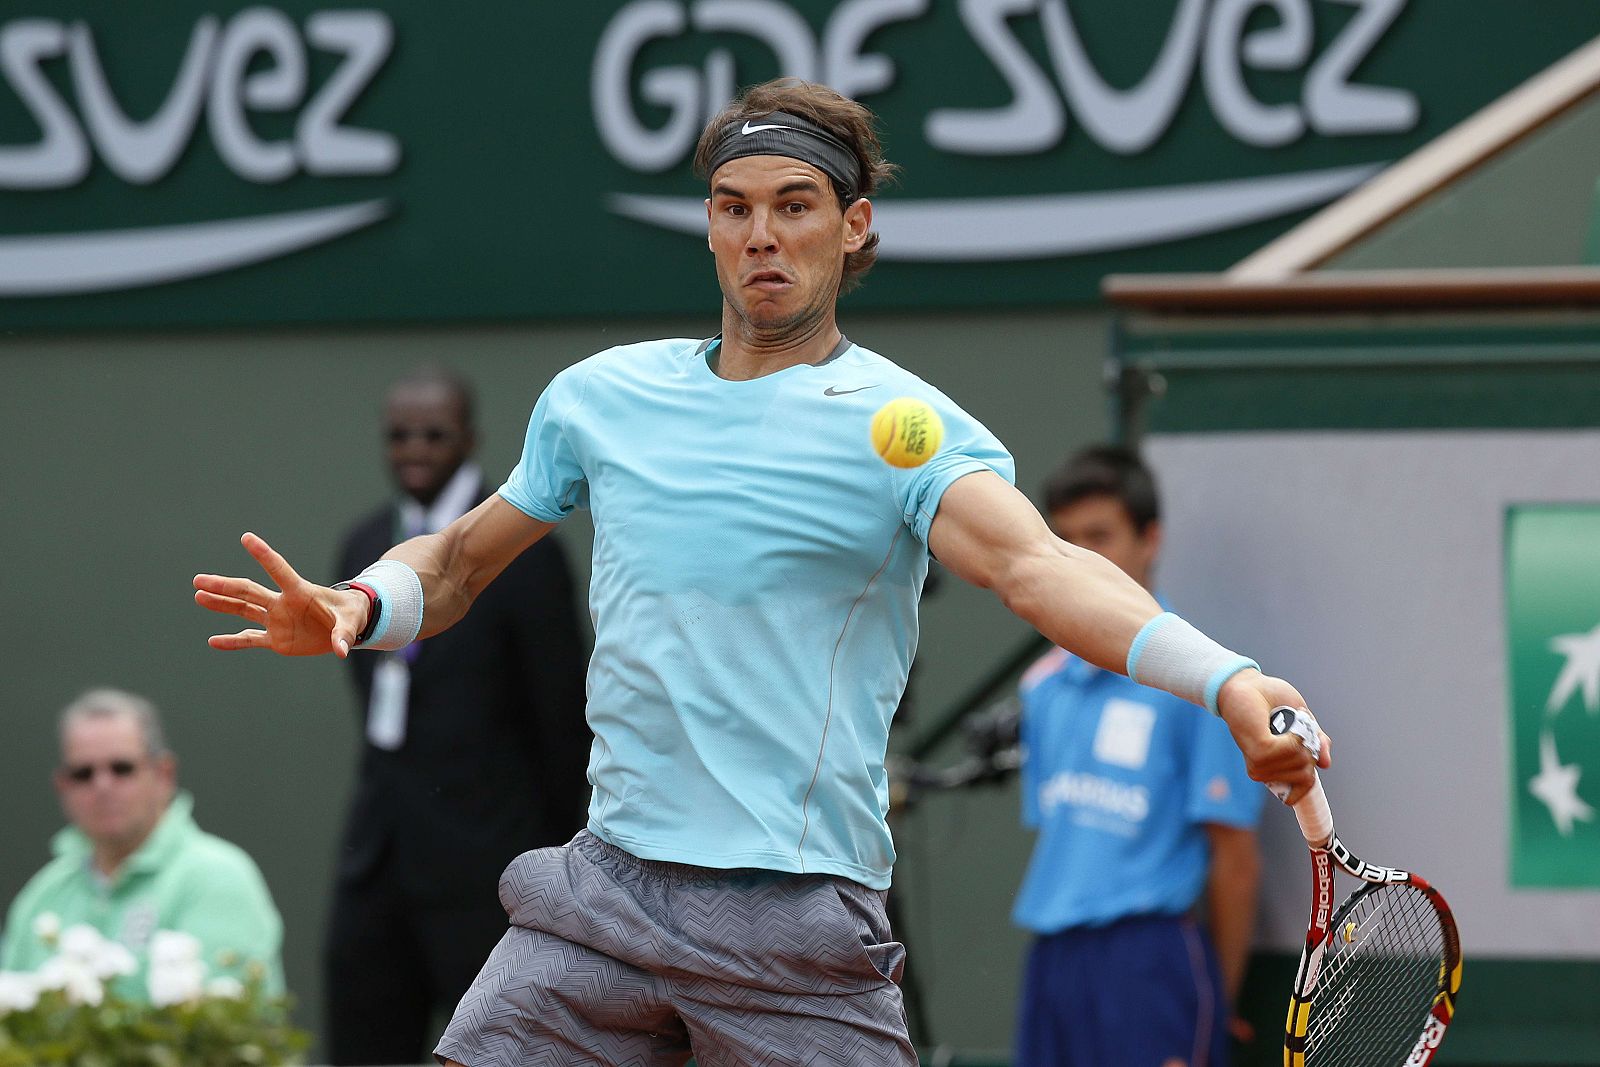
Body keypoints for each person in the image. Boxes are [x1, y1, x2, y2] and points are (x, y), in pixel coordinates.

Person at [192, 78, 1327, 1067]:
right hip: (603, 888)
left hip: (795, 920)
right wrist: (357, 601)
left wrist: (1226, 679)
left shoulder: (901, 424)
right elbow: (455, 560)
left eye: (794, 206)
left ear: (853, 225)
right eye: (734, 209)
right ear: (709, 228)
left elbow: (1037, 566)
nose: (761, 236)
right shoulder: (600, 399)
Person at [324, 368, 591, 1065]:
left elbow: (563, 718)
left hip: (487, 865)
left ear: (470, 439)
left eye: (434, 434)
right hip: (381, 856)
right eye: (399, 435)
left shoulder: (522, 556)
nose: (414, 449)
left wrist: (559, 862)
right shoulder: (363, 546)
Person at [1011, 447, 1263, 1067]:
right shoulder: (1041, 687)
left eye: (1100, 536)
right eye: (1065, 541)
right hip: (1053, 963)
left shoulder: (1203, 684)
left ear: (1151, 539)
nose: (1083, 559)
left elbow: (1234, 861)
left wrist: (1211, 1007)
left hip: (1150, 966)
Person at [0, 689, 284, 999]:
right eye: (83, 773)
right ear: (63, 787)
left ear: (164, 774)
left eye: (121, 768)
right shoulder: (43, 896)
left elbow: (221, 1035)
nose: (102, 786)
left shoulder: (217, 877)